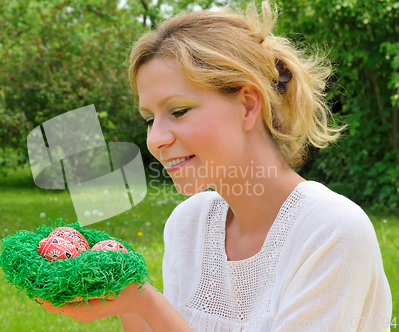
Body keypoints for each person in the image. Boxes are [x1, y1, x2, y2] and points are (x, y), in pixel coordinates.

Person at [38, 1, 393, 331]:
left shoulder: (330, 232)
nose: (155, 139)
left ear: (249, 105)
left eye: (178, 111)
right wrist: (126, 297)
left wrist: (147, 302)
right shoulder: (188, 224)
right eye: (150, 119)